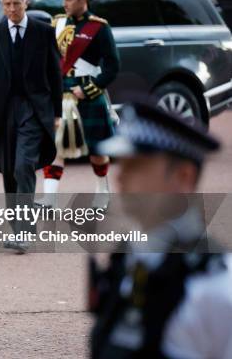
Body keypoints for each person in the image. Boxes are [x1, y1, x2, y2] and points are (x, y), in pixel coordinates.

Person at [90, 99, 232, 358]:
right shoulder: (127, 260)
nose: (120, 177)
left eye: (136, 165)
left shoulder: (216, 287)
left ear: (183, 177)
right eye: (121, 164)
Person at [0, 0, 61, 215]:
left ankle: (24, 230)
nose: (12, 9)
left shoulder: (44, 32)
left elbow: (55, 75)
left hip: (34, 109)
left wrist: (58, 113)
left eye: (17, 4)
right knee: (10, 169)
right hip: (3, 111)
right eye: (7, 4)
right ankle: (16, 226)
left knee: (24, 166)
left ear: (26, 3)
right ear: (1, 6)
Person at [39, 0, 120, 211]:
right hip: (61, 92)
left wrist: (89, 89)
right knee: (55, 148)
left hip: (87, 93)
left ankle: (103, 192)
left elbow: (112, 66)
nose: (65, 2)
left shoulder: (99, 27)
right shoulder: (58, 23)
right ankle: (49, 200)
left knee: (97, 149)